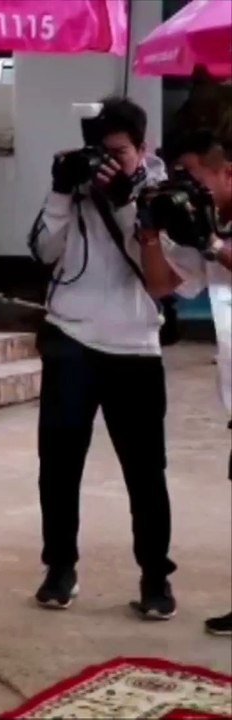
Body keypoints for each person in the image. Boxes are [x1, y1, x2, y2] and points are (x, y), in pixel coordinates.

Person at [26, 97, 179, 619]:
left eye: (119, 153)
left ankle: (155, 576)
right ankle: (59, 567)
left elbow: (164, 273)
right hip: (70, 337)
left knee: (145, 471)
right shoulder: (78, 186)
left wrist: (126, 202)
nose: (108, 164)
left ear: (143, 148)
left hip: (134, 345)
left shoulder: (162, 192)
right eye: (100, 153)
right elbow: (44, 251)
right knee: (59, 465)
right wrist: (60, 191)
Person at [136, 128, 232, 637]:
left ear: (226, 173)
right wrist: (150, 233)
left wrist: (212, 243)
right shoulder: (205, 230)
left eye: (195, 178)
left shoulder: (211, 236)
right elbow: (160, 285)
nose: (189, 190)